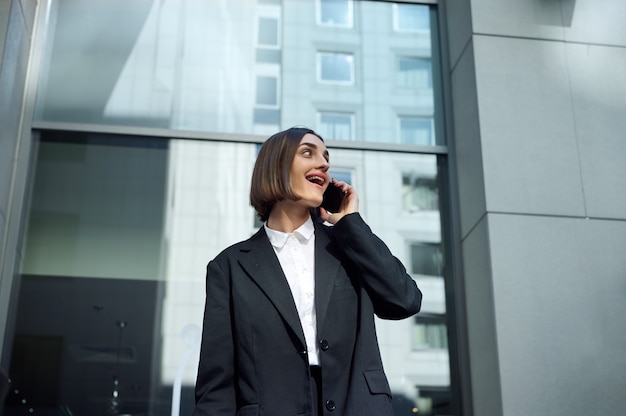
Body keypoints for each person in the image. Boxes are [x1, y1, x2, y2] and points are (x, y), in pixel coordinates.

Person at [193, 127, 422, 416]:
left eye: (326, 157)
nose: (324, 163)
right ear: (276, 166)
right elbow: (216, 385)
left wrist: (350, 223)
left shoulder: (348, 246)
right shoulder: (230, 266)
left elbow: (404, 301)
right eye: (308, 152)